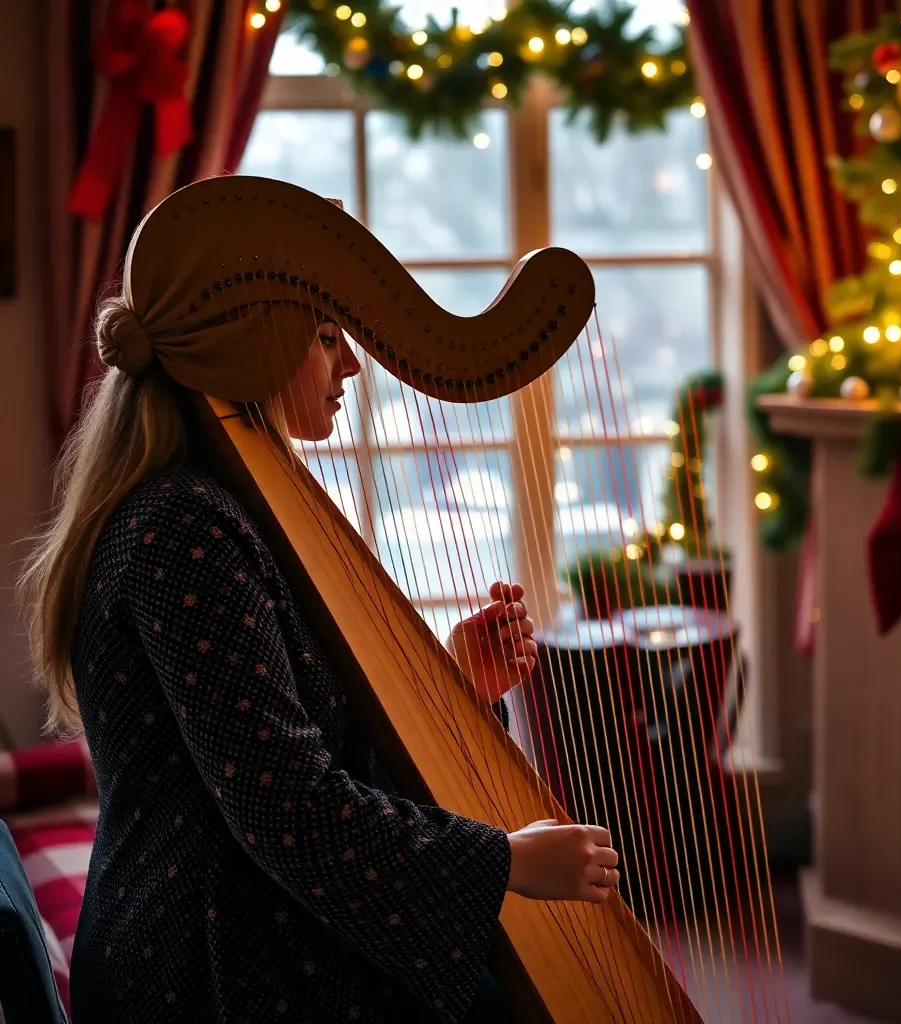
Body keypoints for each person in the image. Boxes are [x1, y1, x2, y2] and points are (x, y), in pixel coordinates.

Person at [18, 261, 620, 1022]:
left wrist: (452, 688)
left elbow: (285, 750)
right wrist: (506, 860)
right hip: (207, 965)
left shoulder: (223, 501)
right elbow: (291, 811)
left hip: (253, 920)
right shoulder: (182, 526)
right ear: (253, 348)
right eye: (328, 339)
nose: (354, 366)